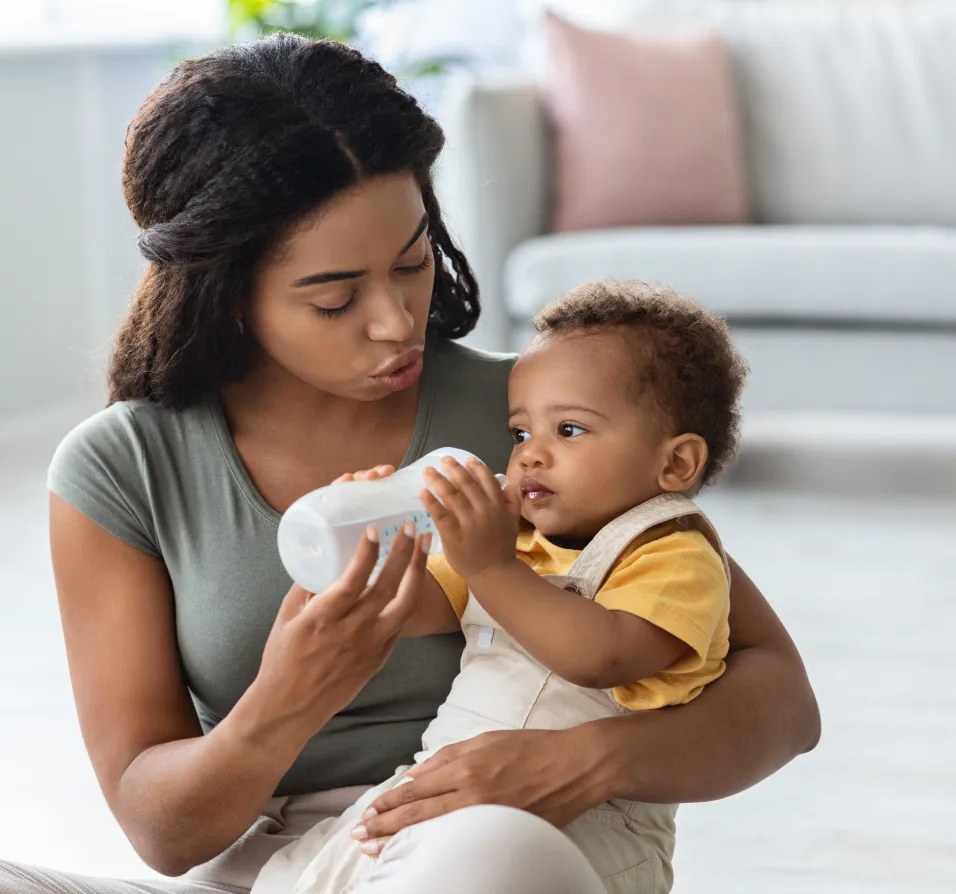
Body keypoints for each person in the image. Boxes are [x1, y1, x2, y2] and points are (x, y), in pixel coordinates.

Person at [0, 33, 819, 894]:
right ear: (224, 290)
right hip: (286, 871)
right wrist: (289, 699)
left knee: (494, 856)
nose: (395, 321)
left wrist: (588, 761)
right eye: (335, 297)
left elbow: (780, 699)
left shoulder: (546, 424)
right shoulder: (126, 466)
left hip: (502, 852)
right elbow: (161, 833)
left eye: (413, 262)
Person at [252, 281, 747, 894]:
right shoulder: (515, 543)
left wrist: (489, 567)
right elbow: (407, 610)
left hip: (585, 832)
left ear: (674, 464)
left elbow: (602, 656)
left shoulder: (676, 553)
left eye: (569, 430)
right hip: (442, 790)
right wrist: (371, 541)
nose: (530, 456)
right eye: (519, 434)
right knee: (307, 870)